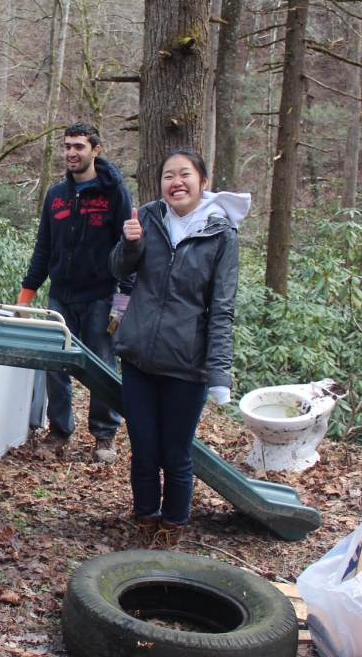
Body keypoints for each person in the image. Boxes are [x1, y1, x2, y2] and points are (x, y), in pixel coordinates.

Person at [109, 149, 249, 549]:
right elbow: (118, 270)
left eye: (184, 174)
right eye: (168, 176)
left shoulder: (220, 233)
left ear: (202, 181)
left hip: (187, 366)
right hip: (139, 357)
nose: (176, 183)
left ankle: (172, 527)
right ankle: (145, 519)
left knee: (176, 454)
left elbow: (222, 309)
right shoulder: (148, 218)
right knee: (143, 450)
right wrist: (129, 244)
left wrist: (219, 374)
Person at [17, 122, 131, 464]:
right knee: (56, 366)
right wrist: (27, 294)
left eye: (79, 146)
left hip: (101, 296)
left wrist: (123, 301)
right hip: (60, 297)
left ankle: (104, 436)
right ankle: (60, 430)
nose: (71, 153)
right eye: (67, 146)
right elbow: (43, 248)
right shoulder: (56, 196)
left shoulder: (114, 194)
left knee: (102, 368)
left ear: (95, 149)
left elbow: (130, 249)